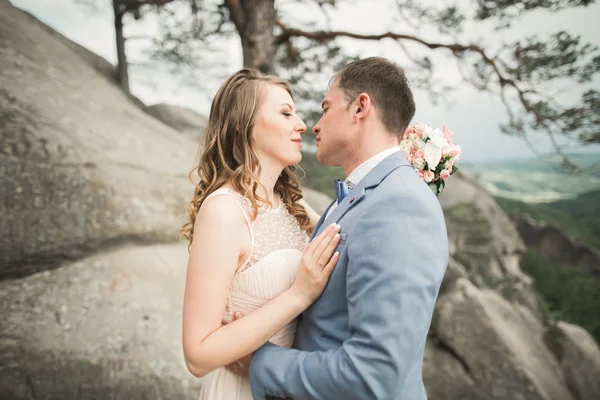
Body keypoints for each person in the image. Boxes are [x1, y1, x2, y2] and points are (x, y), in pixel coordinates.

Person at [241, 57, 449, 399]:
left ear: (360, 107)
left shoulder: (401, 207)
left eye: (326, 108)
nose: (314, 125)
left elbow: (374, 373)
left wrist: (260, 362)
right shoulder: (367, 194)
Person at [180, 68, 342, 400]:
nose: (301, 124)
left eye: (295, 113)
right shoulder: (224, 211)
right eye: (285, 113)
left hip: (285, 384)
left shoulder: (292, 206)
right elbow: (197, 355)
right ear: (244, 126)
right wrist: (298, 295)